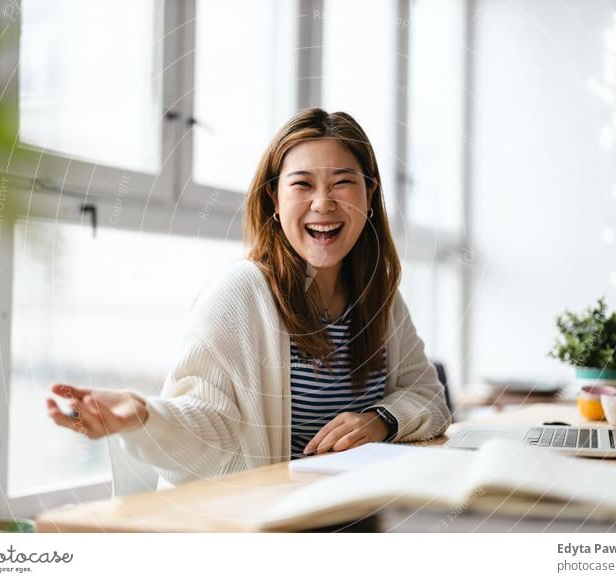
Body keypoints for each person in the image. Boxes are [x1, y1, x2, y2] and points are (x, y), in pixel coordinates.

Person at [46, 108, 451, 487]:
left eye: (343, 182)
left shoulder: (379, 297)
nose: (323, 202)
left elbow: (430, 398)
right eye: (302, 184)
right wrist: (144, 416)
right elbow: (207, 423)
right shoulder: (240, 295)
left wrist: (381, 420)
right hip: (270, 528)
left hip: (357, 515)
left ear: (369, 195)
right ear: (275, 200)